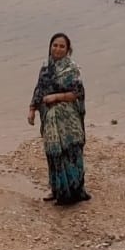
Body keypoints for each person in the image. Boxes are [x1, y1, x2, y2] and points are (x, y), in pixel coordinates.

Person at [27, 32, 91, 206]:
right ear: (50, 47)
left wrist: (56, 97)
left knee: (71, 152)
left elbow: (77, 93)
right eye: (55, 45)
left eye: (62, 46)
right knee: (53, 153)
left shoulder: (72, 69)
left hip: (68, 118)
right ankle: (57, 190)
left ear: (68, 50)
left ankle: (75, 191)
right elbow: (39, 89)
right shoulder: (45, 68)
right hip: (49, 117)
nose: (57, 49)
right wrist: (32, 109)